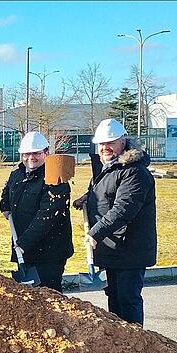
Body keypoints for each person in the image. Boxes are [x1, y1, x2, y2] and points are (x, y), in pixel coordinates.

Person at [73, 118, 156, 325]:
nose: (105, 147)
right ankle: (119, 340)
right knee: (114, 296)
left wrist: (95, 232)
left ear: (123, 141)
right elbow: (108, 192)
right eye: (101, 143)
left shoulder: (134, 171)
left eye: (110, 142)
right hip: (112, 246)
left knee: (128, 299)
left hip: (130, 248)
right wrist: (88, 197)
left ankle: (135, 339)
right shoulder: (108, 167)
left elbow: (123, 208)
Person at [0, 131, 73, 292]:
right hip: (24, 248)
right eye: (26, 154)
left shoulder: (55, 177)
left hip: (49, 253)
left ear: (46, 153)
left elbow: (47, 217)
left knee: (49, 296)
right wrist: (4, 206)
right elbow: (7, 191)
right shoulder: (18, 173)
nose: (30, 158)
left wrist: (23, 243)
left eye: (36, 153)